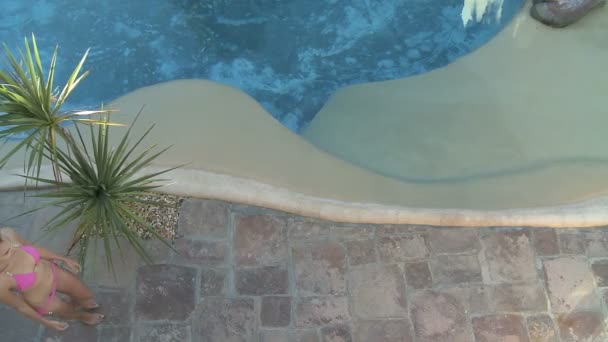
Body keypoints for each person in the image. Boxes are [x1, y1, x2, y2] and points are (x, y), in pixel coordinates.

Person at [0, 227, 104, 331]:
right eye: (3, 253)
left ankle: (78, 300)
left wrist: (62, 258)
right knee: (69, 312)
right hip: (42, 300)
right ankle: (81, 316)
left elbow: (34, 248)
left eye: (2, 241)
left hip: (54, 273)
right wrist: (46, 322)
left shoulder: (8, 234)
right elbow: (21, 306)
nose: (7, 247)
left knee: (86, 294)